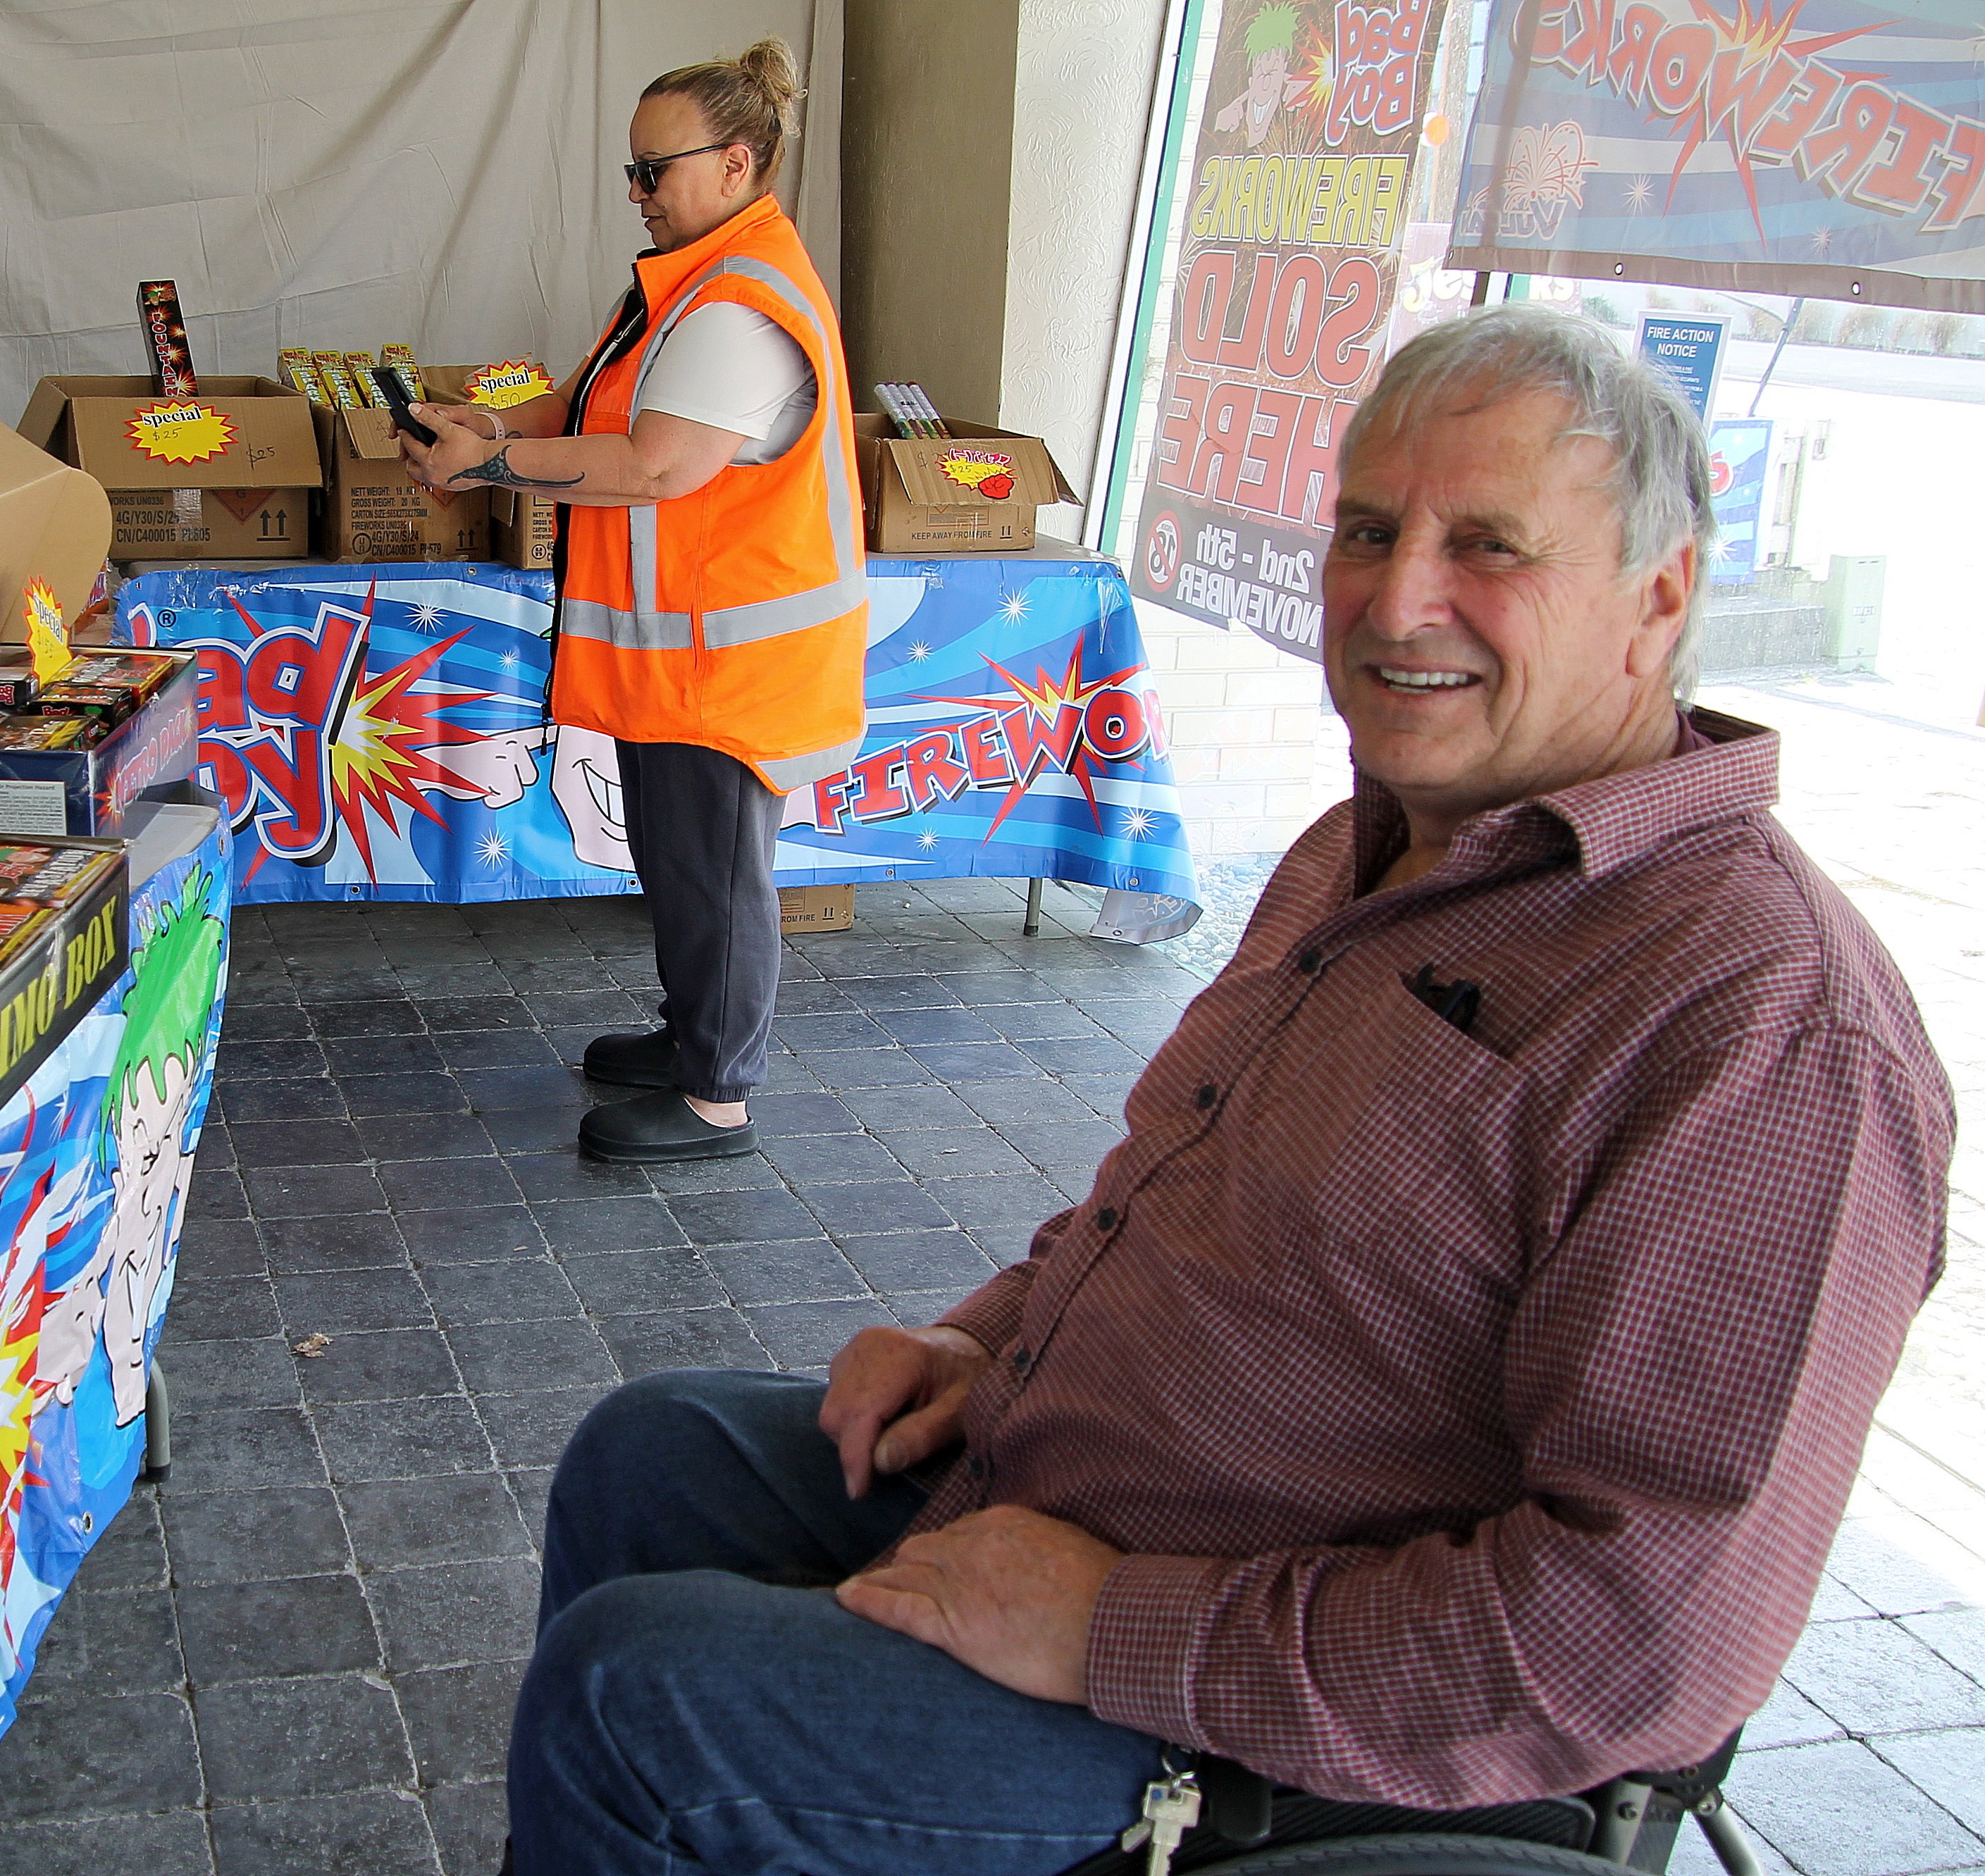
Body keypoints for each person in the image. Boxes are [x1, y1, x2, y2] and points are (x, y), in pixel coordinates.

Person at [502, 304, 1955, 1875]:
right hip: (1069, 1488)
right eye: (1370, 530)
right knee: (647, 1457)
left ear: (1658, 600)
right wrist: (975, 1337)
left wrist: (1118, 1627)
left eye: (1491, 549)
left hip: (1268, 1722)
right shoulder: (1380, 840)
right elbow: (1190, 1192)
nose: (1400, 601)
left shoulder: (1763, 1023)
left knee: (632, 1703)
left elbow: (1632, 1646)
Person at [399, 39, 866, 1166]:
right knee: (679, 860)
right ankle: (688, 1038)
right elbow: (584, 409)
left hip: (727, 660)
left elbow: (654, 467)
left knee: (716, 872)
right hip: (683, 650)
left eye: (654, 171)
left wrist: (493, 469)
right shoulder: (679, 289)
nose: (636, 193)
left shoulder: (741, 309)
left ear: (738, 164)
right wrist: (488, 433)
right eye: (632, 170)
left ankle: (717, 1099)